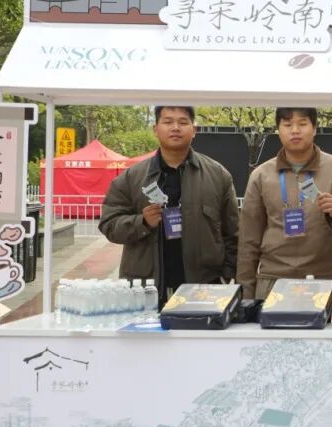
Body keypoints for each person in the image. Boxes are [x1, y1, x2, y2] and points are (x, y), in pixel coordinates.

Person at [99, 106, 239, 305]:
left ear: (194, 130)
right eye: (167, 122)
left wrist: (226, 275)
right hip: (146, 288)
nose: (175, 128)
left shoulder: (218, 175)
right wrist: (142, 222)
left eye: (183, 122)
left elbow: (233, 233)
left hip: (203, 287)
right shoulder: (131, 177)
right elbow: (109, 225)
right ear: (155, 129)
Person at [237, 107, 332, 299]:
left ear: (314, 128)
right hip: (273, 283)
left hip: (325, 281)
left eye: (302, 123)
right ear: (278, 130)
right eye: (287, 124)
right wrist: (246, 295)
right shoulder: (261, 176)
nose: (295, 130)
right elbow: (248, 240)